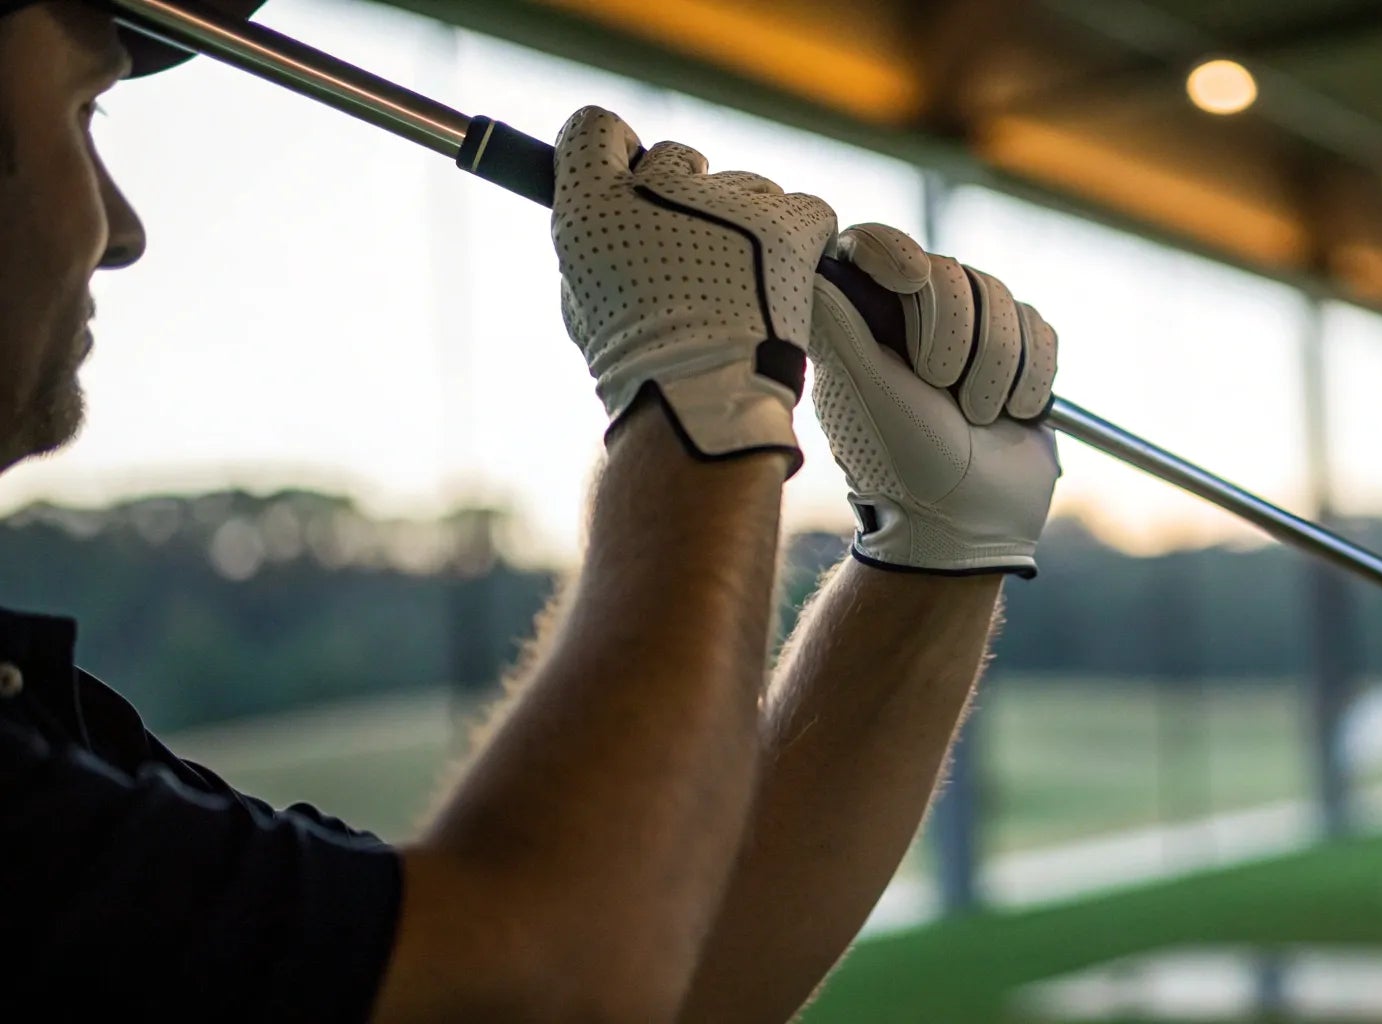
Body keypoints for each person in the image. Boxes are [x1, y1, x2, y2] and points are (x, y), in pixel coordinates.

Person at [0, 1, 1061, 1019]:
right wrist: (701, 386)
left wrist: (935, 556)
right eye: (82, 113)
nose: (122, 227)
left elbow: (658, 965)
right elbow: (550, 988)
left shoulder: (47, 726)